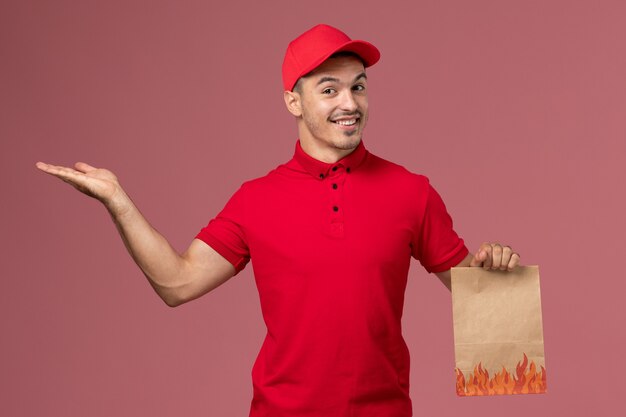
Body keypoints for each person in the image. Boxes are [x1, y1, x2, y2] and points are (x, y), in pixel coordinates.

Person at [37, 24, 520, 417]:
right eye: (329, 89)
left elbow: (475, 291)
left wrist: (493, 271)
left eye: (358, 87)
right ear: (293, 101)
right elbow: (176, 285)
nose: (349, 104)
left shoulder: (411, 190)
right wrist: (118, 201)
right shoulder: (255, 200)